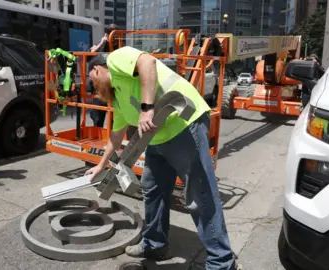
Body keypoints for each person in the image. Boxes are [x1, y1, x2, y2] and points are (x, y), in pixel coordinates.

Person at [84, 47, 241, 270]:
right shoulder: (117, 97)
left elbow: (147, 61)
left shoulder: (115, 60)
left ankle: (222, 262)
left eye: (93, 83)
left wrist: (147, 109)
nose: (95, 90)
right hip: (157, 138)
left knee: (200, 194)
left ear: (96, 70)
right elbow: (116, 135)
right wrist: (101, 165)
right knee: (152, 189)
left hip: (183, 124)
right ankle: (155, 244)